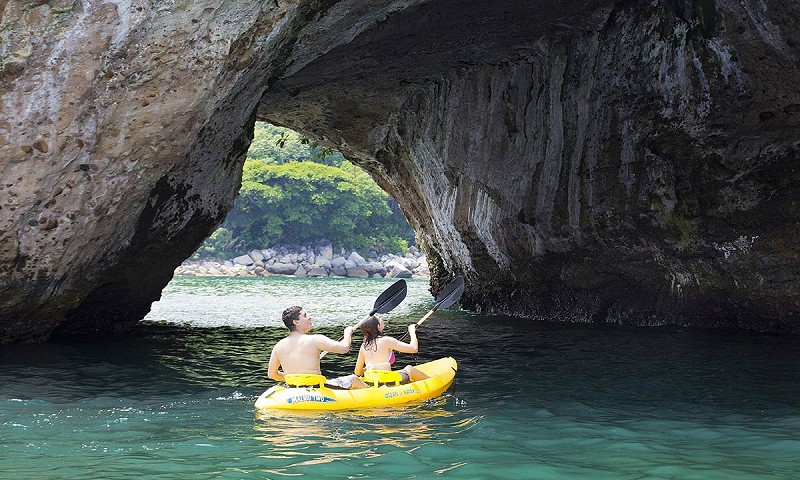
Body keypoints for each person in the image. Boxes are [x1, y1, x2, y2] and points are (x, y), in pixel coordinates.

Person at [268, 306, 368, 389]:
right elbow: (344, 348)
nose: (309, 317)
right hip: (316, 387)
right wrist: (348, 333)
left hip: (292, 387)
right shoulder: (316, 339)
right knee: (354, 379)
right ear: (296, 322)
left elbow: (272, 374)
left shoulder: (279, 346)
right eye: (305, 315)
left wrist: (294, 377)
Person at [354, 315, 430, 384]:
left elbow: (357, 372)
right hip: (388, 381)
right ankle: (433, 381)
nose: (381, 318)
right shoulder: (387, 340)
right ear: (378, 326)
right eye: (379, 319)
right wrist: (412, 332)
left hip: (372, 381)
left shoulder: (363, 346)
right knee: (409, 368)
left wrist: (370, 367)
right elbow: (414, 349)